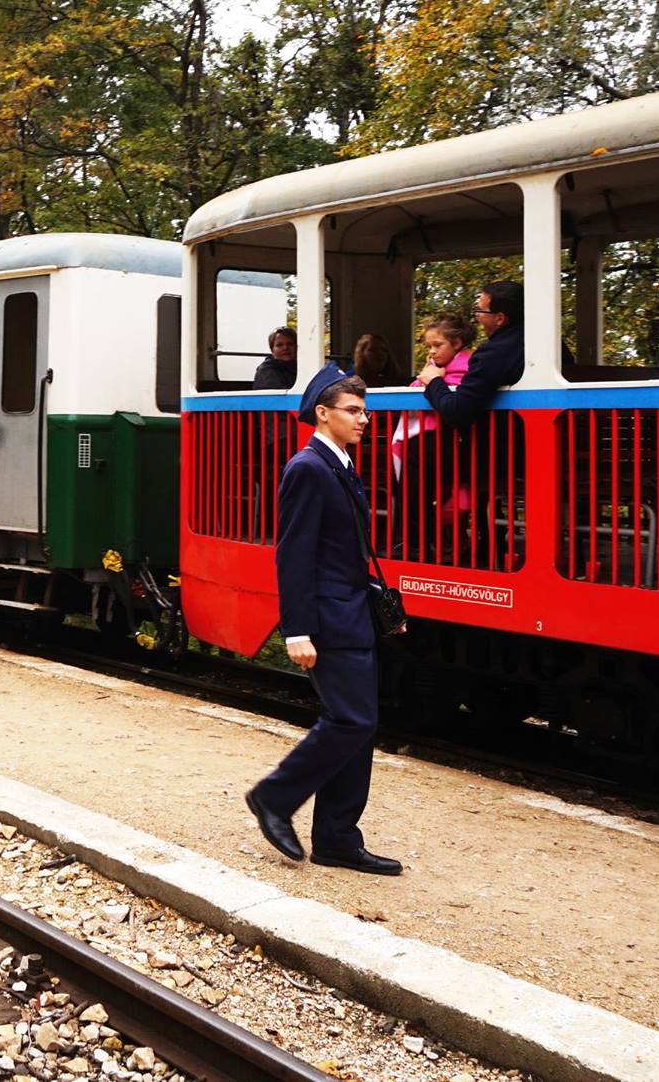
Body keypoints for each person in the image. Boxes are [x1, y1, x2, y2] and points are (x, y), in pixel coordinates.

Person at [246, 365, 401, 876]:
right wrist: (296, 628)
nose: (365, 419)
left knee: (361, 723)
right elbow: (294, 555)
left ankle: (336, 837)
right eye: (353, 411)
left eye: (364, 410)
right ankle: (274, 797)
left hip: (351, 614)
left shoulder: (338, 464)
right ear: (323, 412)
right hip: (329, 620)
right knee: (350, 720)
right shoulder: (308, 468)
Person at [391, 317, 474, 558]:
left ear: (457, 343)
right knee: (414, 471)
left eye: (438, 345)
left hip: (453, 441)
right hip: (439, 442)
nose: (432, 351)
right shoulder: (436, 368)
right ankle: (417, 539)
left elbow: (448, 397)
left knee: (415, 470)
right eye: (429, 346)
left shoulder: (465, 367)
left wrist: (430, 381)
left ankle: (414, 542)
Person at [416, 281, 523, 428]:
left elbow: (458, 411)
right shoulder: (545, 342)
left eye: (481, 311)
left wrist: (434, 381)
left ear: (499, 318)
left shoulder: (492, 354)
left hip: (499, 444)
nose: (477, 316)